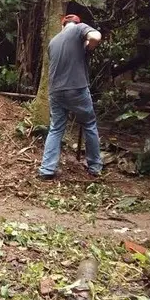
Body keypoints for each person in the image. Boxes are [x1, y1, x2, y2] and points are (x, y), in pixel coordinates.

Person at [38, 14, 104, 180]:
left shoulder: (53, 42)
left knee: (56, 128)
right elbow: (96, 36)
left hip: (55, 91)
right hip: (76, 88)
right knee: (89, 123)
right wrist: (90, 45)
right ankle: (95, 167)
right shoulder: (78, 29)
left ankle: (46, 170)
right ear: (75, 24)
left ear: (62, 26)